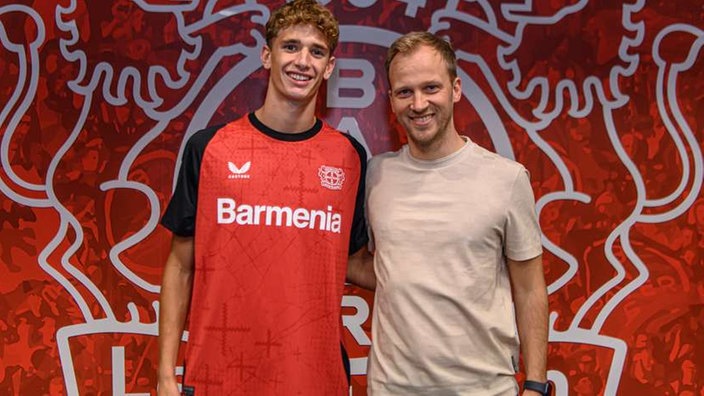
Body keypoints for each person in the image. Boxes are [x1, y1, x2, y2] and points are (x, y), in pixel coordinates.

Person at [157, 1, 369, 394]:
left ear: (330, 67)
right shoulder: (209, 148)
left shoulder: (349, 158)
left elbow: (353, 262)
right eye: (291, 47)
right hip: (217, 377)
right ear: (267, 56)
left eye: (316, 51)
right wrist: (165, 374)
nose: (302, 60)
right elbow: (180, 265)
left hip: (314, 379)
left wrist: (442, 270)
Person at [363, 31, 549, 395]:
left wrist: (537, 384)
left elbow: (530, 289)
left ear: (456, 89)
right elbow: (384, 265)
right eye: (405, 92)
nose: (419, 104)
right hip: (392, 388)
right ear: (391, 100)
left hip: (484, 388)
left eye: (431, 87)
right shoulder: (376, 176)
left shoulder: (507, 179)